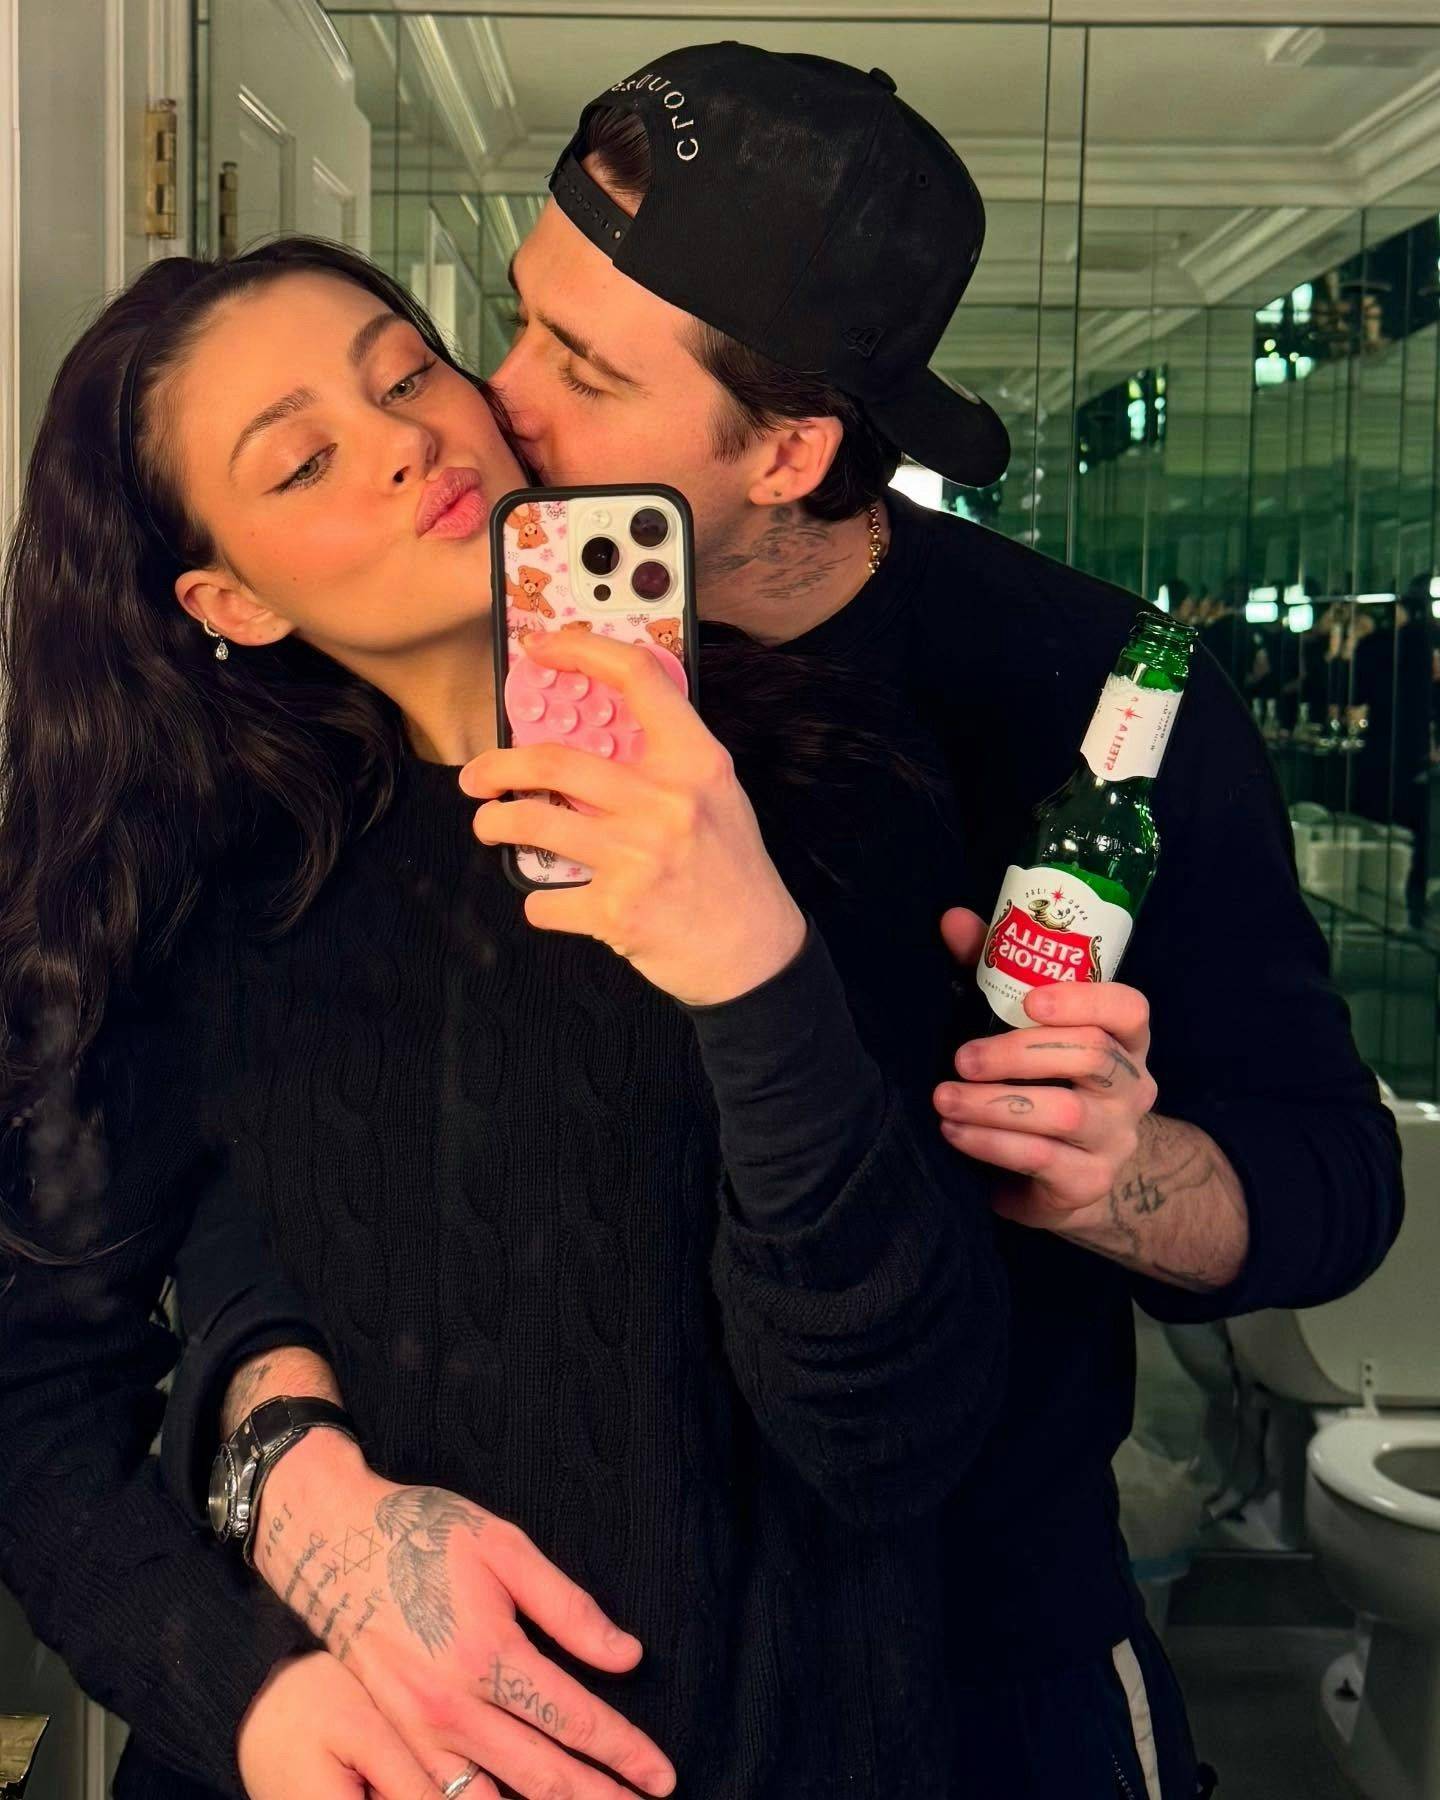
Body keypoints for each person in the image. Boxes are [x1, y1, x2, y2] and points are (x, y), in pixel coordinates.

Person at [155, 44, 1399, 1800]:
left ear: (791, 449)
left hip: (983, 1645)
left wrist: (1123, 1177)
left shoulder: (1099, 704)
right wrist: (281, 1454)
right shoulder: (422, 648)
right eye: (515, 320)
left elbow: (1338, 1187)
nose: (494, 401)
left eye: (584, 367)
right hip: (557, 1645)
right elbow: (222, 1153)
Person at [0, 233, 1009, 1800]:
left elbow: (900, 1434)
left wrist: (753, 964)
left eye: (409, 373)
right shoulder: (207, 902)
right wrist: (248, 1704)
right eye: (305, 459)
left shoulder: (830, 783)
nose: (405, 439)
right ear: (231, 599)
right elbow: (37, 1396)